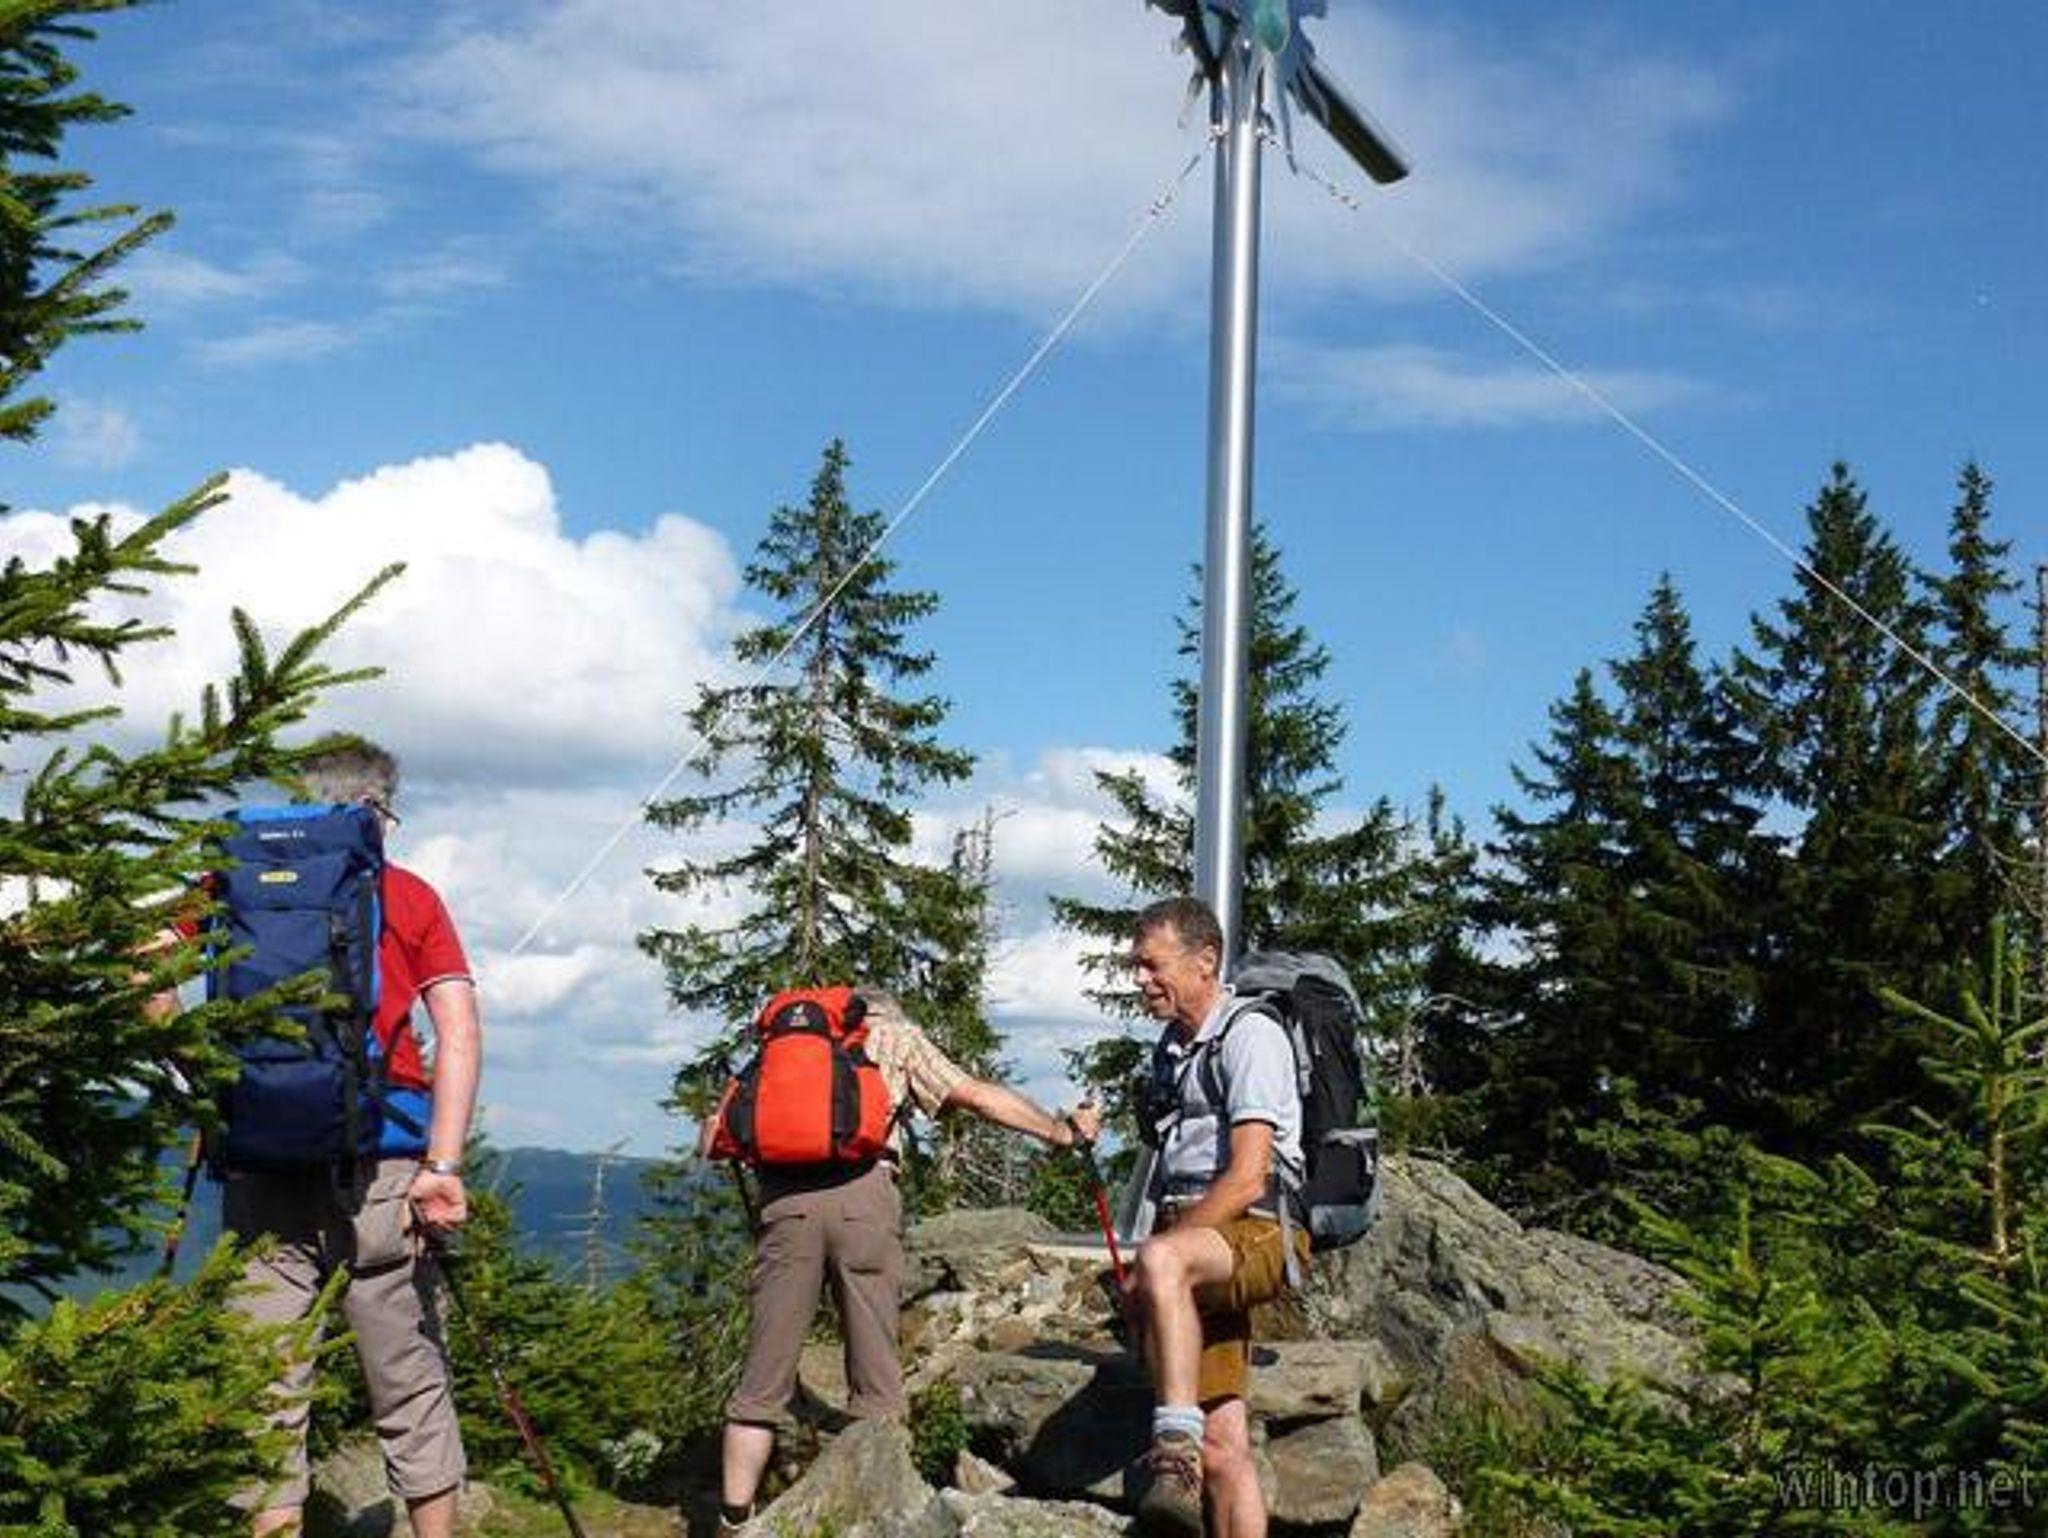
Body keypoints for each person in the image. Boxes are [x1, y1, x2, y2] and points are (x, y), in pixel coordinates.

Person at [712, 987, 1102, 1536]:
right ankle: (873, 1514)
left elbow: (720, 1130)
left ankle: (733, 1520)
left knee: (762, 1380)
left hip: (785, 1204)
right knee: (875, 1375)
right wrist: (1058, 1131)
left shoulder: (783, 1043)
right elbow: (975, 1095)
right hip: (865, 1202)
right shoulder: (896, 1038)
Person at [215, 744, 483, 1538]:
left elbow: (142, 967)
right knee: (407, 1377)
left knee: (264, 1377)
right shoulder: (409, 894)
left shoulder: (234, 881)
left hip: (260, 1149)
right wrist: (443, 1165)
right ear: (376, 811)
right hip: (384, 1159)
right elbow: (458, 1030)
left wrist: (205, 1077)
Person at [1122, 896, 1306, 1538]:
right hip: (1202, 1243)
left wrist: (1157, 1260)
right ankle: (1196, 1453)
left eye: (1152, 964)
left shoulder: (1250, 1035)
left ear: (1205, 960)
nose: (1140, 980)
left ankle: (1174, 1453)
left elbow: (1249, 1174)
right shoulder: (1174, 1049)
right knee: (1225, 1442)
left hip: (1258, 1227)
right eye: (1136, 966)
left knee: (1162, 1260)